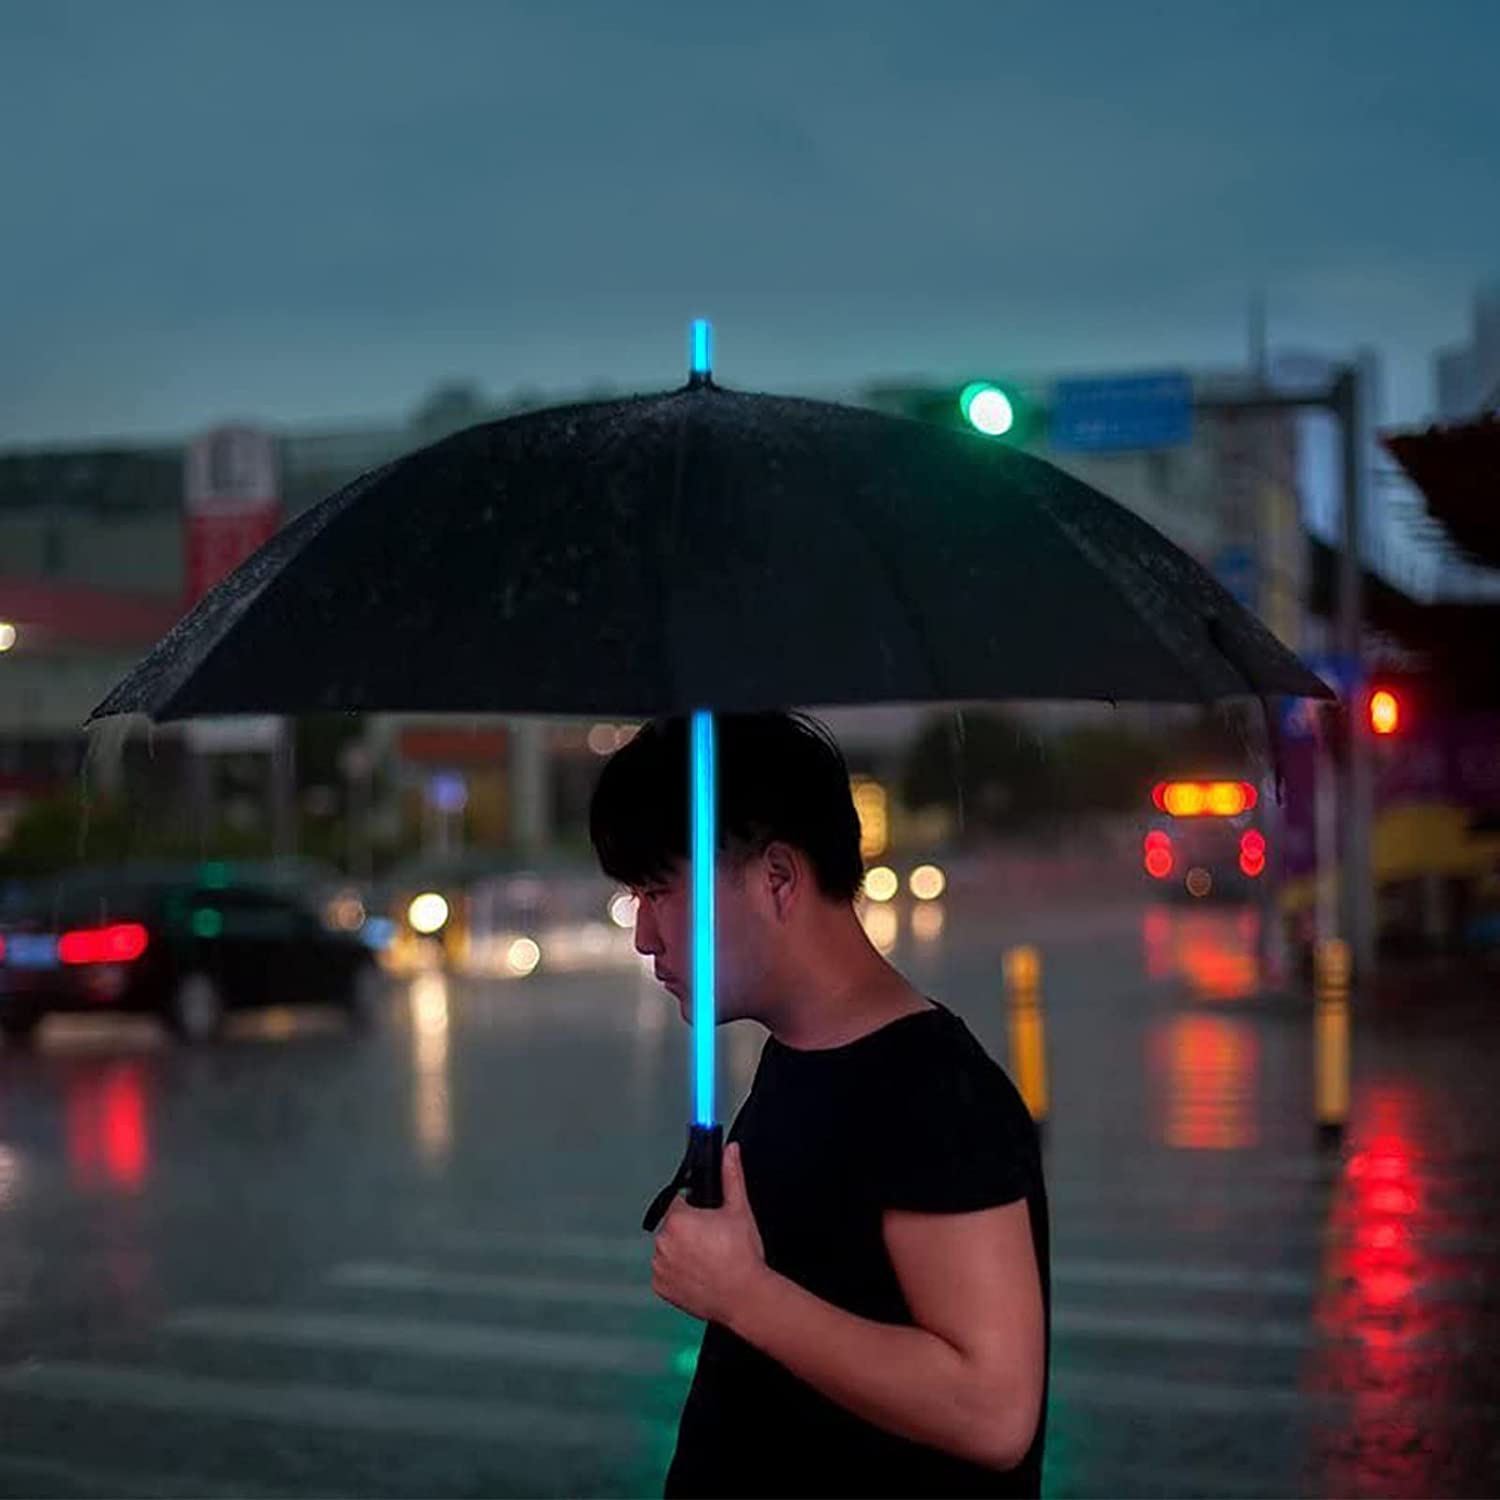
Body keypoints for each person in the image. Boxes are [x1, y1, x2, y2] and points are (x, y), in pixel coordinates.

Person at [589, 712, 1049, 1499]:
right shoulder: (802, 1052)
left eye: (660, 891)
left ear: (777, 877)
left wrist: (746, 1295)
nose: (643, 936)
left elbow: (993, 1410)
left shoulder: (930, 1088)